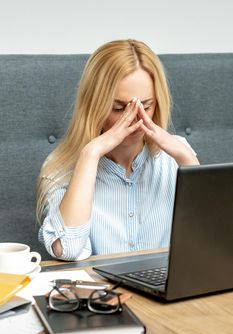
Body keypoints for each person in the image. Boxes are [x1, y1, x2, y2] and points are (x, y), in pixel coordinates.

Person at [36, 39, 199, 261]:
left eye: (147, 106)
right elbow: (69, 250)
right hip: (105, 294)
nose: (134, 118)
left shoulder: (178, 154)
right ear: (95, 106)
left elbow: (213, 240)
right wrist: (90, 154)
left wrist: (187, 159)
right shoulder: (61, 167)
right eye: (119, 108)